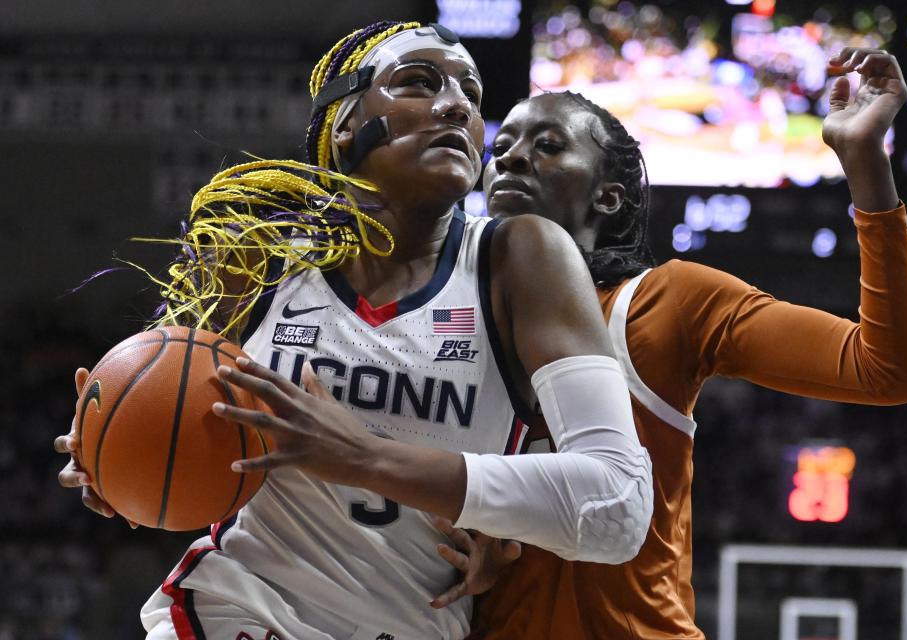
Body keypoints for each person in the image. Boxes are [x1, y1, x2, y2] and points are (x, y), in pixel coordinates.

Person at [54, 21, 655, 640]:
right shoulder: (259, 253)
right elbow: (169, 410)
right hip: (233, 612)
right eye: (418, 84)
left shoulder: (522, 257)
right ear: (344, 124)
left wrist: (372, 461)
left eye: (471, 96)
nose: (455, 105)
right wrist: (112, 455)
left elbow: (618, 505)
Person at [457, 47, 907, 639]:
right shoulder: (449, 312)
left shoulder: (669, 301)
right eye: (500, 148)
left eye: (548, 146)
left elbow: (890, 368)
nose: (511, 160)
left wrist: (865, 161)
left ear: (609, 196)